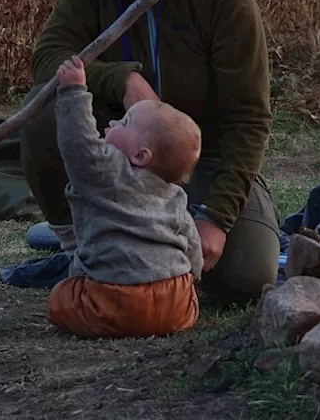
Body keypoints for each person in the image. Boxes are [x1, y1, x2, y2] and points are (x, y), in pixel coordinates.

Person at [19, 0, 280, 302]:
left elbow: (249, 120)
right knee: (44, 110)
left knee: (244, 279)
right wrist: (118, 78)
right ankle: (78, 250)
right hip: (116, 152)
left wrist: (216, 220)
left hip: (203, 161)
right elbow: (49, 59)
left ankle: (134, 243)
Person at [45, 56, 204, 338]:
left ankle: (109, 315)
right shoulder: (175, 195)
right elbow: (193, 248)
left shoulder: (107, 174)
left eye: (125, 122)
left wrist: (74, 93)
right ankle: (168, 317)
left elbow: (79, 144)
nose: (115, 121)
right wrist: (193, 278)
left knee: (61, 298)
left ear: (141, 155)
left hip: (115, 298)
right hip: (177, 302)